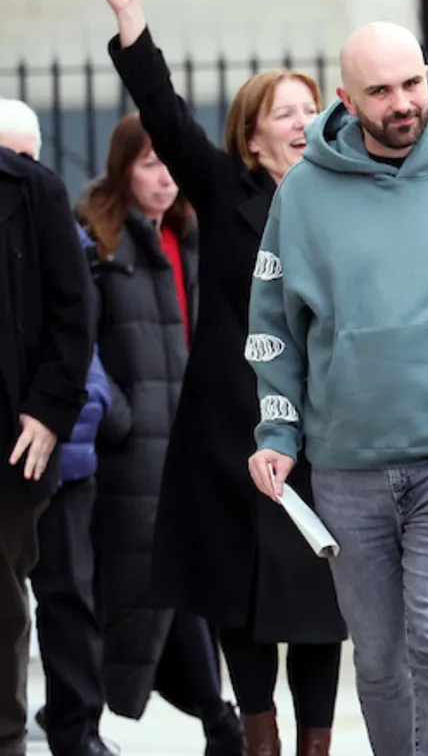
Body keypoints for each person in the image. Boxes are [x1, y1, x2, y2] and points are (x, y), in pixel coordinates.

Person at [101, 0, 346, 756]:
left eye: (312, 108)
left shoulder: (346, 200)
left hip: (321, 437)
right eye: (285, 112)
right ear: (251, 133)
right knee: (240, 604)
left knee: (319, 609)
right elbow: (163, 113)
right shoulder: (221, 187)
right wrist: (131, 18)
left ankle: (315, 746)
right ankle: (257, 740)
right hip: (229, 440)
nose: (302, 121)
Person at [244, 19, 428, 756]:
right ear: (346, 99)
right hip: (347, 469)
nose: (403, 103)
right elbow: (272, 325)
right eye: (381, 91)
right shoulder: (303, 192)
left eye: (413, 83)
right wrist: (278, 433)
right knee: (377, 660)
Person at [76, 113, 243, 755]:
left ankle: (218, 720)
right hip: (130, 454)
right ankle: (218, 720)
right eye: (149, 164)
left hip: (190, 443)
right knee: (140, 591)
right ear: (123, 169)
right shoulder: (98, 245)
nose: (166, 178)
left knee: (187, 583)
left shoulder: (190, 236)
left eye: (171, 164)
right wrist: (117, 415)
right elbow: (79, 346)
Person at [0, 101, 92, 756]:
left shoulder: (33, 188)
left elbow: (73, 311)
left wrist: (48, 411)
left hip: (12, 438)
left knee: (3, 603)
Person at [28, 223, 115, 756]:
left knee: (70, 598)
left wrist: (80, 410)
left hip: (67, 457)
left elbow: (86, 346)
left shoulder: (68, 245)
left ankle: (78, 729)